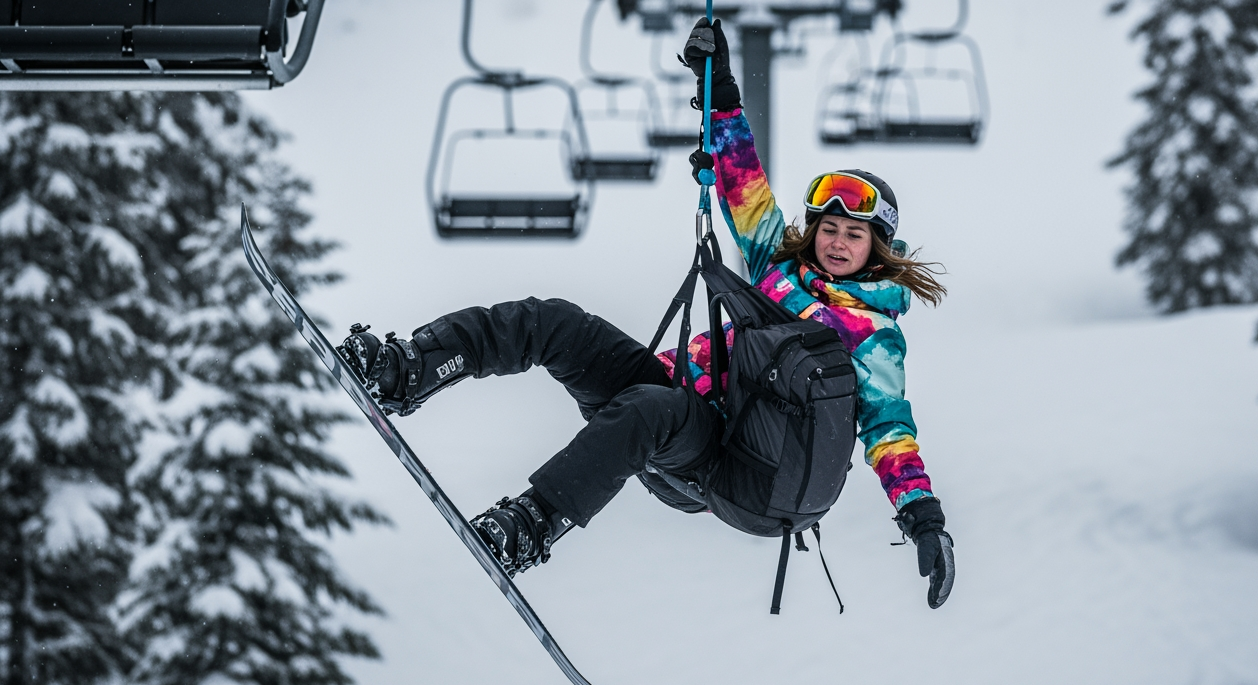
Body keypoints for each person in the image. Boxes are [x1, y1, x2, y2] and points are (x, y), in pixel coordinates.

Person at [338, 19, 955, 609]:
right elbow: (746, 188)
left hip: (736, 468)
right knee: (555, 322)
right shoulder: (778, 267)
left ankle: (531, 526)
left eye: (854, 234)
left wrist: (923, 518)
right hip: (680, 403)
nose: (838, 243)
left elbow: (889, 430)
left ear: (878, 250)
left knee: (649, 409)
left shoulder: (874, 335)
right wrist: (720, 92)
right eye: (829, 228)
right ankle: (408, 369)